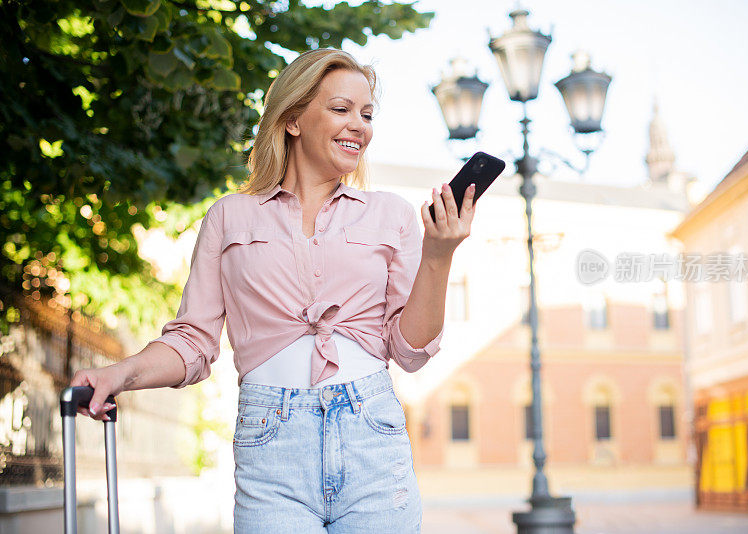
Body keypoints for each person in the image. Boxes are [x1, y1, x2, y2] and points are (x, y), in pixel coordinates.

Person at [69, 48, 477, 533]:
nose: (360, 126)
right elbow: (193, 342)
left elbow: (410, 351)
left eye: (367, 114)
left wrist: (438, 255)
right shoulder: (229, 216)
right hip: (272, 445)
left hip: (373, 437)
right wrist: (122, 374)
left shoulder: (390, 214)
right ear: (293, 119)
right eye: (341, 109)